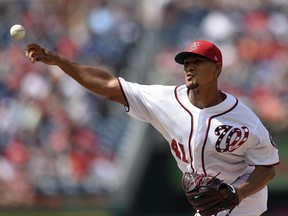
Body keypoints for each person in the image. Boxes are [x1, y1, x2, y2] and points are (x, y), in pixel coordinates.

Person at [25, 40, 279, 215]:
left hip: (243, 201)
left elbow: (267, 167)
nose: (189, 66)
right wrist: (60, 61)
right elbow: (109, 86)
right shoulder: (164, 100)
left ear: (217, 68)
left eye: (198, 61)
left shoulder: (243, 118)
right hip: (210, 204)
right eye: (186, 61)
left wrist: (237, 193)